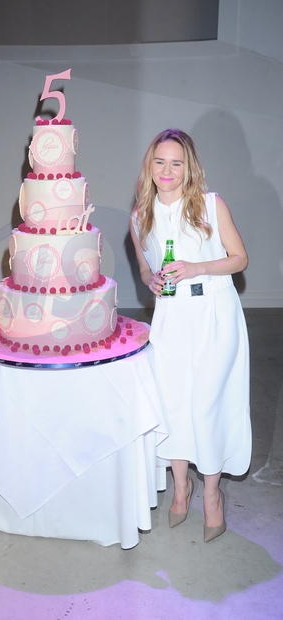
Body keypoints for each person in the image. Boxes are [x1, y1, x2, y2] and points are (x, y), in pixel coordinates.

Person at [130, 129, 251, 543]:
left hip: (214, 312)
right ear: (150, 165)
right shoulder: (139, 216)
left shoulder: (211, 205)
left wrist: (196, 268)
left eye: (176, 163)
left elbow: (240, 259)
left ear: (189, 167)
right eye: (160, 162)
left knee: (208, 405)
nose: (167, 170)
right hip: (171, 316)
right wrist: (149, 279)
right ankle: (181, 488)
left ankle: (213, 493)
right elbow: (145, 268)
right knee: (174, 404)